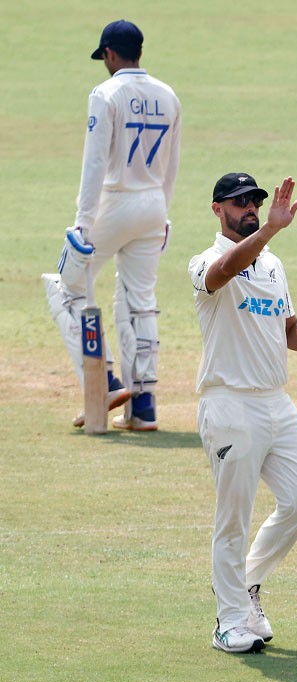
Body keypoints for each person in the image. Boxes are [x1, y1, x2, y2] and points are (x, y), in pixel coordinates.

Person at [190, 174, 297, 653]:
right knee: (232, 517)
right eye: (240, 203)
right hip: (229, 403)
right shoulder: (205, 261)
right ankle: (228, 621)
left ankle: (245, 584)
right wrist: (269, 233)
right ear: (218, 210)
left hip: (276, 402)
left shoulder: (273, 265)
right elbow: (222, 274)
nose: (251, 208)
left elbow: (288, 331)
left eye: (255, 202)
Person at [43, 19, 182, 431]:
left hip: (114, 202)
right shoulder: (168, 95)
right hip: (153, 205)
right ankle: (143, 407)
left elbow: (95, 162)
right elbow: (172, 165)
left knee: (65, 288)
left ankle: (102, 382)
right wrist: (163, 212)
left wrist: (83, 223)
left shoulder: (106, 93)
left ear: (109, 54)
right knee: (139, 302)